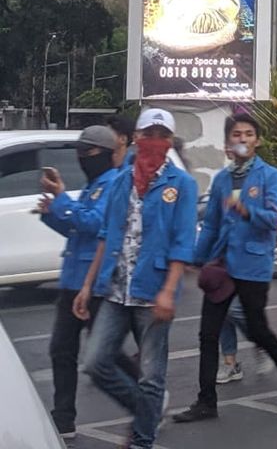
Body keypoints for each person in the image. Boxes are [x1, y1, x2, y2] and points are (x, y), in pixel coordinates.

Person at [75, 108, 198, 449]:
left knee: (151, 377)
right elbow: (105, 234)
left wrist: (169, 291)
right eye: (148, 134)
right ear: (136, 139)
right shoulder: (120, 181)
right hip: (116, 289)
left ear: (169, 141)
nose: (153, 141)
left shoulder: (182, 185)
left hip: (152, 291)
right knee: (96, 362)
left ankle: (142, 441)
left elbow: (182, 243)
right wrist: (87, 286)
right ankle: (148, 411)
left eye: (161, 135)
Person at [174, 114, 277, 422]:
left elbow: (273, 219)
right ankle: (206, 401)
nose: (242, 139)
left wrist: (247, 211)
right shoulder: (221, 179)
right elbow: (211, 225)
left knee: (257, 328)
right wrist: (195, 257)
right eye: (236, 134)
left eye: (247, 134)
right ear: (229, 142)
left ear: (256, 141)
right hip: (222, 265)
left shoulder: (270, 176)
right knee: (208, 334)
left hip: (253, 263)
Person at [39, 125, 140, 439]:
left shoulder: (114, 184)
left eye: (89, 152)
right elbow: (77, 231)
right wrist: (53, 211)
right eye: (80, 152)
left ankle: (148, 398)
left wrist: (61, 200)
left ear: (108, 154)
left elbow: (95, 223)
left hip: (95, 283)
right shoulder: (93, 184)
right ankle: (64, 418)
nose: (83, 157)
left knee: (105, 354)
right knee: (62, 350)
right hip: (73, 279)